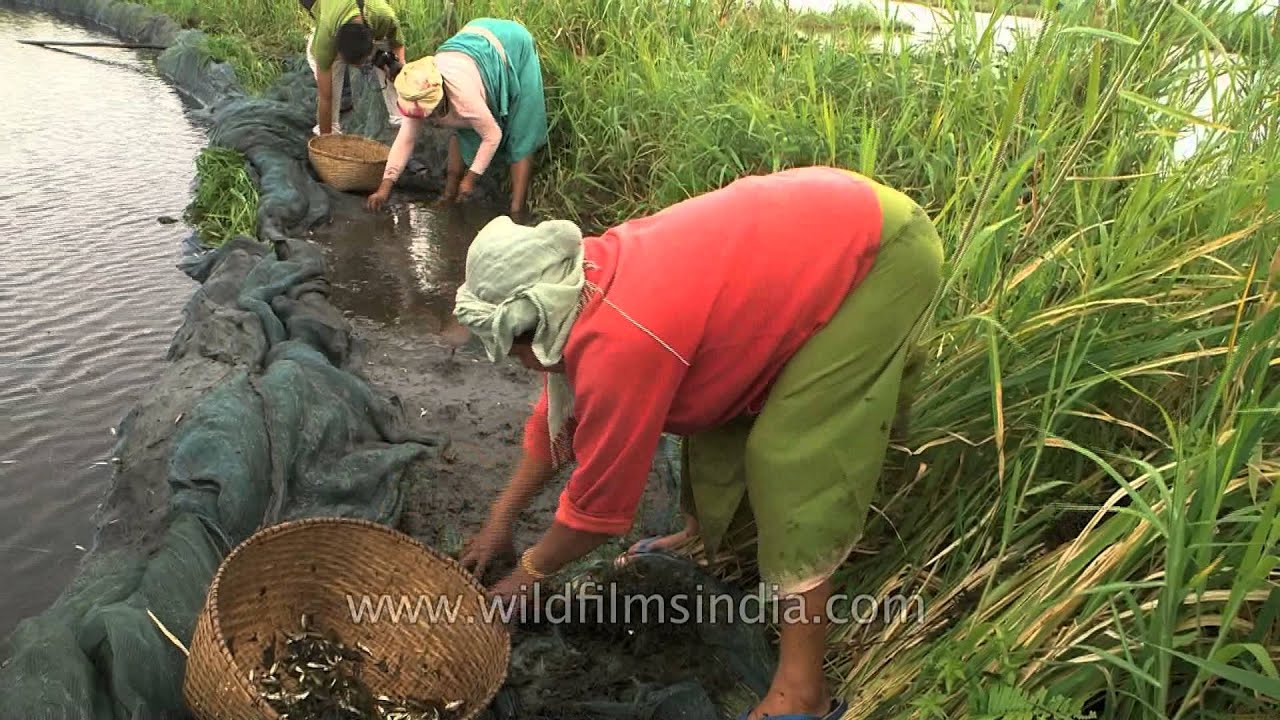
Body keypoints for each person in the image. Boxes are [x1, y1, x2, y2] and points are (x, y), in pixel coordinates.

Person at [452, 167, 945, 720]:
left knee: (791, 456)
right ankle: (709, 538)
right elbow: (558, 414)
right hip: (805, 237)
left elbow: (601, 509)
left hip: (878, 253)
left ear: (531, 323)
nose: (518, 362)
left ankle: (803, 688)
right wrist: (502, 515)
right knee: (712, 403)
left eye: (509, 347)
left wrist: (529, 575)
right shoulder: (574, 286)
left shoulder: (620, 340)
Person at [365, 18, 549, 217]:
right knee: (464, 128)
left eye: (431, 112)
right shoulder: (416, 91)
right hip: (469, 42)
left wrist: (470, 178)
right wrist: (384, 188)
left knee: (522, 131)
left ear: (441, 96)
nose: (428, 119)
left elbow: (492, 135)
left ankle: (516, 209)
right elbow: (405, 140)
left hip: (510, 43)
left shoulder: (463, 97)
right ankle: (449, 194)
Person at [303, 0, 405, 135]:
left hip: (370, 19)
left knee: (392, 63)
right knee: (330, 89)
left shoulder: (383, 16)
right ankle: (332, 128)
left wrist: (398, 71)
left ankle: (400, 117)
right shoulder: (326, 39)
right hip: (329, 13)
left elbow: (398, 43)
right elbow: (325, 97)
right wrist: (325, 138)